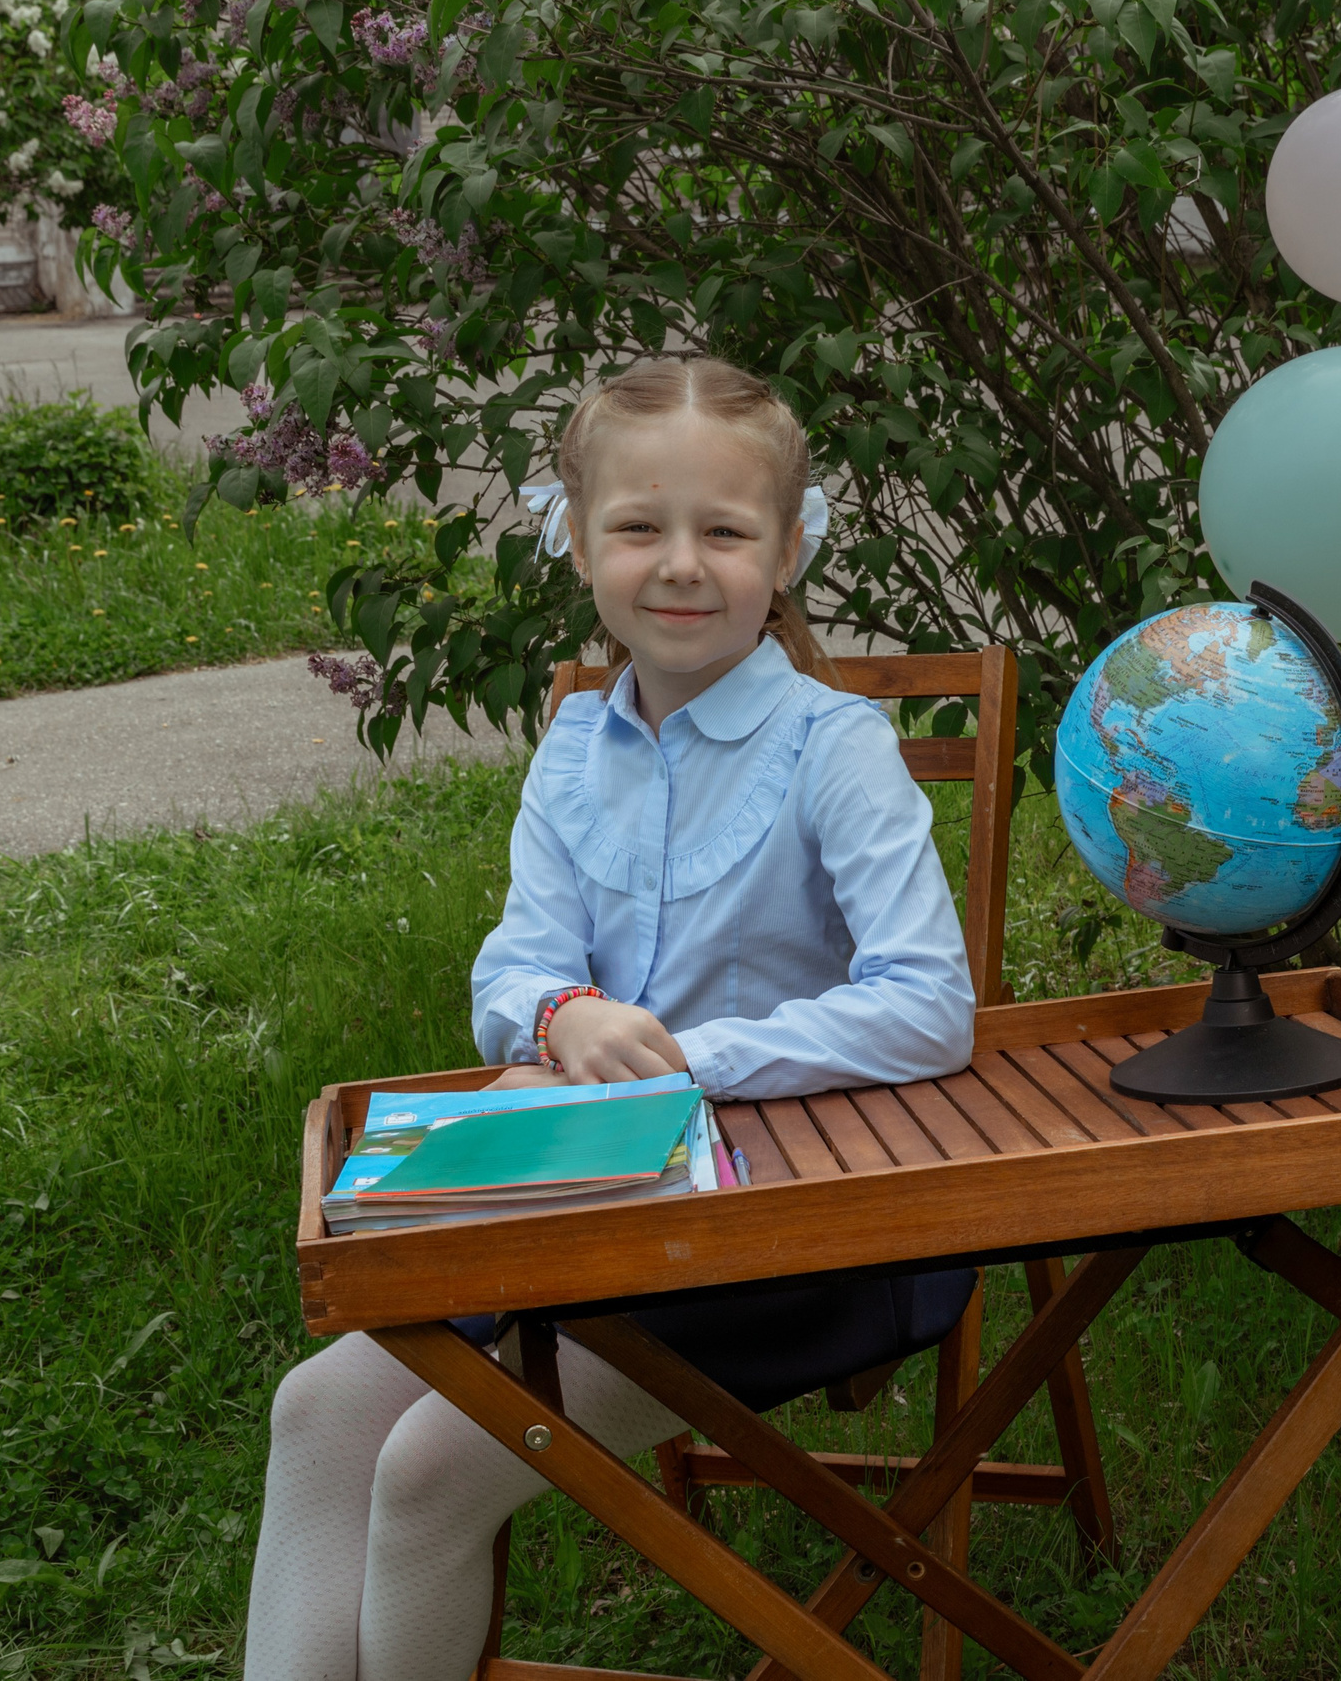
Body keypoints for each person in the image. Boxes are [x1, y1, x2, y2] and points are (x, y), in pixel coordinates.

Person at [242, 356, 980, 1681]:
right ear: (575, 541)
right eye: (639, 527)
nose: (681, 565)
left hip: (793, 1229)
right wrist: (564, 1009)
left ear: (789, 549)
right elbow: (516, 963)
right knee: (318, 1411)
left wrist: (684, 1060)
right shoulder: (576, 744)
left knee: (426, 1472)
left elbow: (929, 1008)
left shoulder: (834, 747)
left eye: (726, 531)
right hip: (582, 1198)